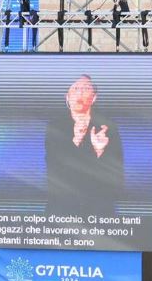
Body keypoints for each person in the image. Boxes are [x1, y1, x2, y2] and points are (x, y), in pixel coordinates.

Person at [45, 74, 125, 217]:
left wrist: (99, 151)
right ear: (67, 97)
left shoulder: (108, 128)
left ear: (94, 97)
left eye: (86, 88)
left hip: (99, 214)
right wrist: (76, 140)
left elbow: (117, 182)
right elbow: (54, 174)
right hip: (61, 215)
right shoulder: (55, 127)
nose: (80, 92)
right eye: (75, 88)